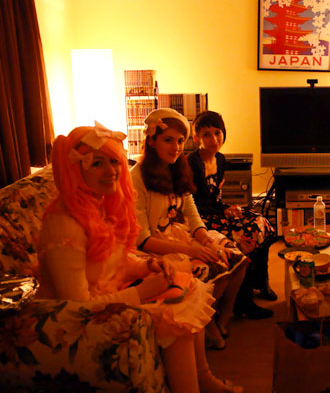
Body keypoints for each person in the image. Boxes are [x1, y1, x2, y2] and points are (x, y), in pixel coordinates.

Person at [36, 123, 243, 393]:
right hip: (72, 319)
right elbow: (77, 306)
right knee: (173, 315)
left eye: (114, 161)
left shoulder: (98, 204)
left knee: (188, 288)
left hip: (107, 292)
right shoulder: (64, 223)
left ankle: (202, 378)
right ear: (75, 169)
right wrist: (143, 291)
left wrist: (146, 266)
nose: (111, 171)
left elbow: (112, 262)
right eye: (97, 163)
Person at [130, 108, 248, 350]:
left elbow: (192, 212)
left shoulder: (178, 167)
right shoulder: (137, 177)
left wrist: (206, 239)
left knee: (235, 257)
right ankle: (209, 324)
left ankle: (220, 318)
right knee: (213, 266)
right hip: (155, 246)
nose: (176, 147)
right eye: (168, 140)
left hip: (181, 235)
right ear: (151, 141)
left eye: (180, 141)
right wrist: (193, 250)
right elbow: (143, 239)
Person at [188, 110, 277, 320]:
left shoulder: (220, 159)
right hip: (201, 219)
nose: (213, 139)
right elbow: (195, 204)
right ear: (196, 138)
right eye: (206, 134)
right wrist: (222, 211)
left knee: (261, 222)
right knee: (247, 233)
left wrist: (226, 208)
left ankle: (260, 279)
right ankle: (243, 301)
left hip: (215, 211)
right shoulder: (192, 163)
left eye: (217, 133)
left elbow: (214, 196)